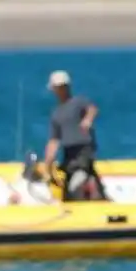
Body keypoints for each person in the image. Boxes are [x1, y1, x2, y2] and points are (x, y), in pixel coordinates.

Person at [43, 70, 104, 201]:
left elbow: (92, 109)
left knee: (79, 180)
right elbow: (54, 140)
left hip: (83, 150)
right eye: (58, 88)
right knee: (69, 189)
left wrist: (87, 120)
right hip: (69, 154)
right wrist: (48, 162)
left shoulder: (78, 102)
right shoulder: (56, 113)